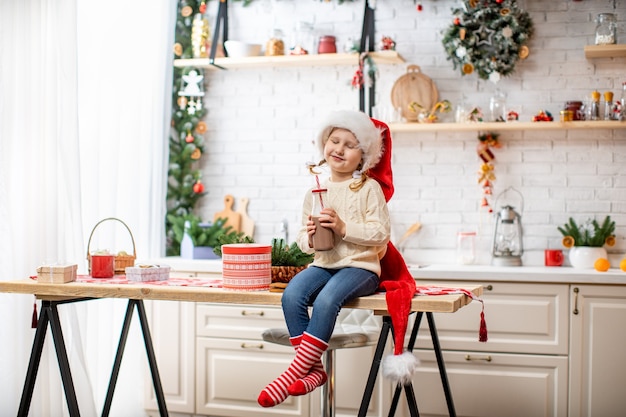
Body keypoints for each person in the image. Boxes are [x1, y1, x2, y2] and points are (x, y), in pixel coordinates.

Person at [257, 110, 391, 408]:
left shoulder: (368, 189)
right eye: (334, 141)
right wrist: (308, 235)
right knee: (292, 295)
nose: (339, 149)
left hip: (360, 267)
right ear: (324, 145)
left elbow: (380, 233)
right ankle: (315, 371)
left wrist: (343, 228)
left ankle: (295, 370)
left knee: (328, 300)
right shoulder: (315, 191)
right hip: (324, 264)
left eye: (350, 144)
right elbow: (305, 246)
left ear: (364, 156)